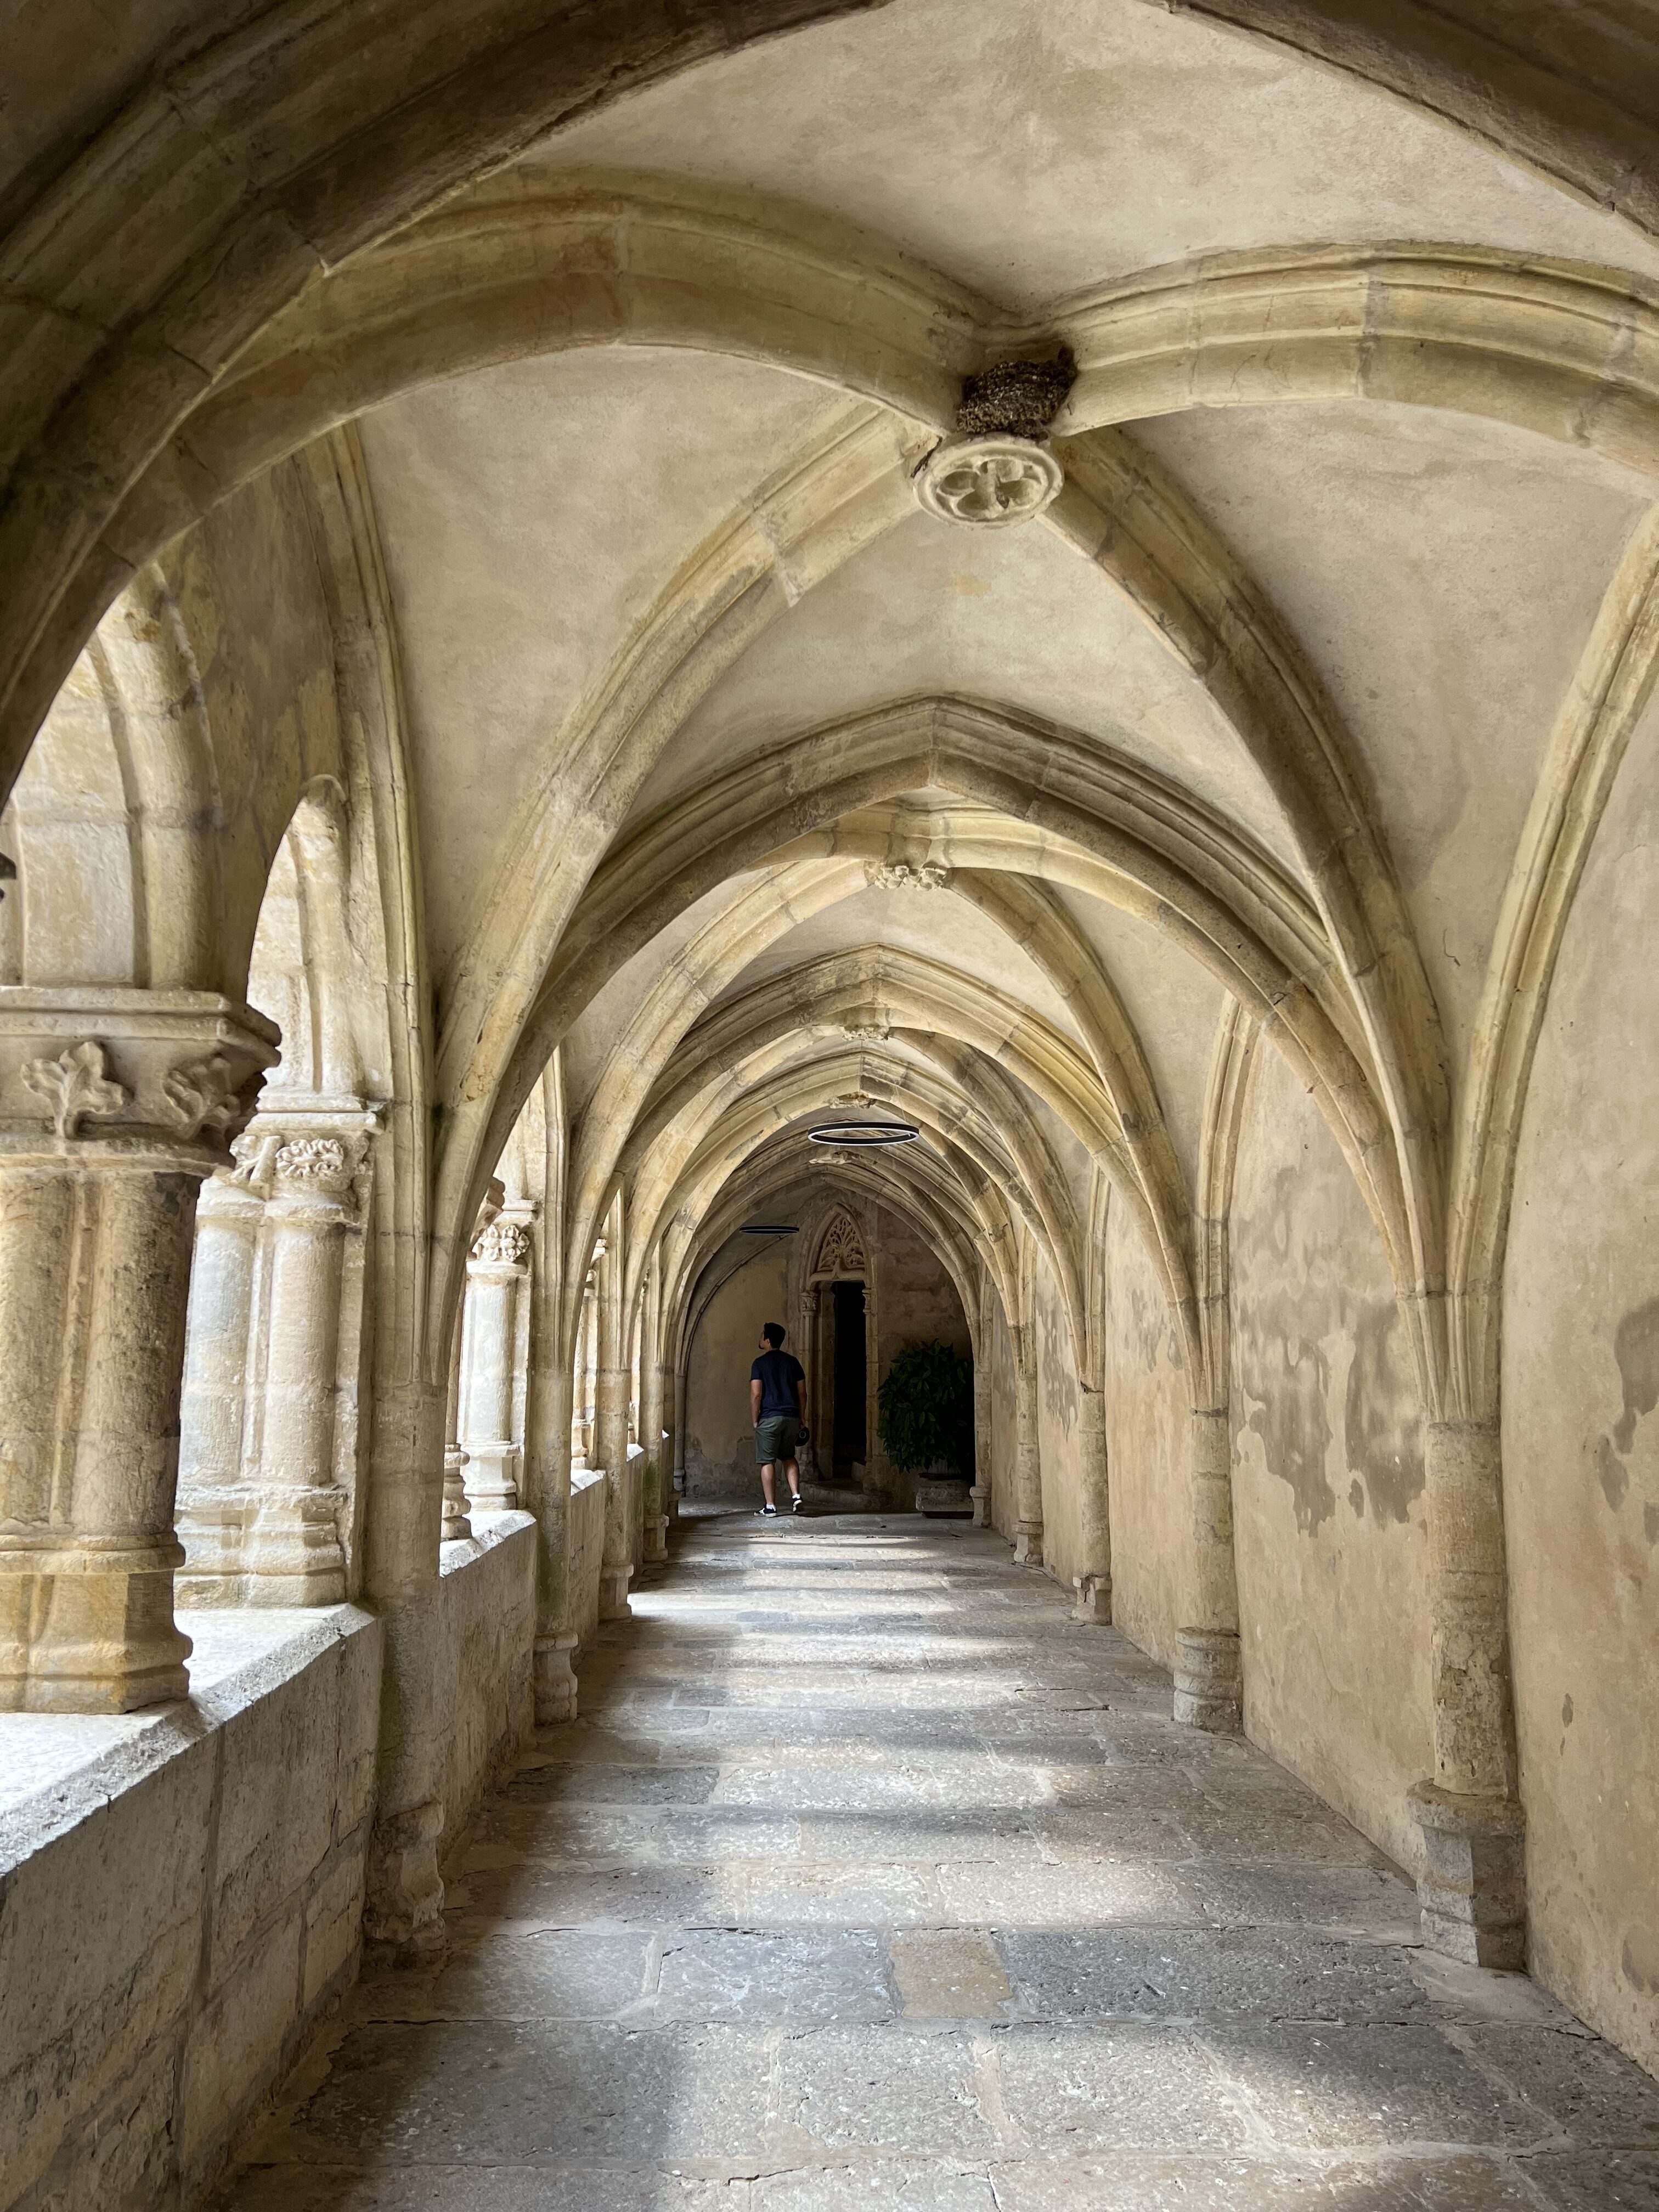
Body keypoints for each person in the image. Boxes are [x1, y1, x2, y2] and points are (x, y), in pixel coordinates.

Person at [751, 1321, 807, 1516]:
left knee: (767, 1461)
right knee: (789, 1456)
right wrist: (802, 1417)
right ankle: (796, 1496)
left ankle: (770, 1506)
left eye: (762, 1335)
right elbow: (802, 1393)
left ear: (767, 1340)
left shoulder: (759, 1364)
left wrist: (755, 1419)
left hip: (769, 1418)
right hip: (791, 1417)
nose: (760, 1338)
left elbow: (756, 1394)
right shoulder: (793, 1362)